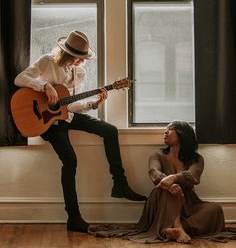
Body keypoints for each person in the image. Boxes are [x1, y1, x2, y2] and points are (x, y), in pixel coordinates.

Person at [14, 30, 147, 233]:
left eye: (83, 58)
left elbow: (70, 105)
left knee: (109, 130)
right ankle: (74, 218)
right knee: (70, 160)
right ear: (67, 53)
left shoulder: (80, 73)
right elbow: (20, 79)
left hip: (65, 116)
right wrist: (45, 85)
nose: (81, 61)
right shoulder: (47, 61)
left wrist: (94, 104)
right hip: (48, 122)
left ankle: (120, 184)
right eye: (78, 57)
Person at [89, 121, 236, 243]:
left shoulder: (196, 159)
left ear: (182, 134)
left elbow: (193, 177)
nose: (165, 132)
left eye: (170, 129)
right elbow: (154, 173)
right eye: (165, 129)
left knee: (215, 209)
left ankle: (166, 229)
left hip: (188, 203)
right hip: (161, 198)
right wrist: (170, 183)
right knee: (170, 189)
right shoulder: (157, 154)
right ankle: (177, 227)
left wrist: (174, 177)